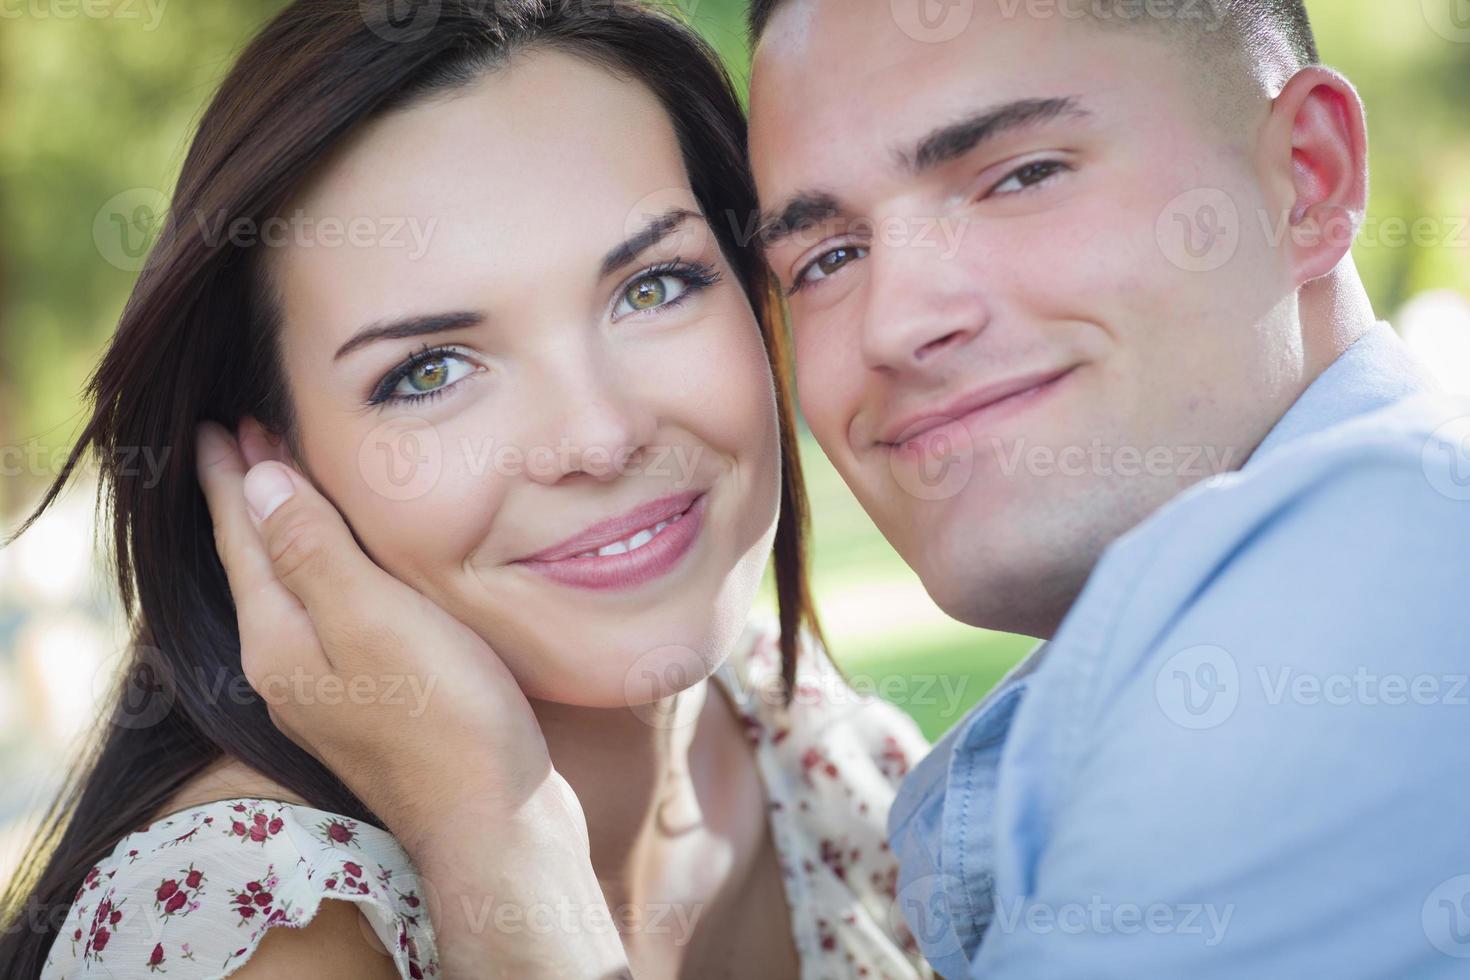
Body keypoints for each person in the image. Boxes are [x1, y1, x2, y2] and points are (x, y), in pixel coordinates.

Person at [0, 3, 934, 978]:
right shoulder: (256, 922)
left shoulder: (835, 762)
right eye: (432, 371)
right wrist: (488, 830)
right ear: (277, 473)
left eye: (653, 286)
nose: (600, 436)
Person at [743, 0, 1470, 976]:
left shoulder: (1380, 591)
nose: (893, 325)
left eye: (1021, 176)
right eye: (828, 258)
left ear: (1306, 177)